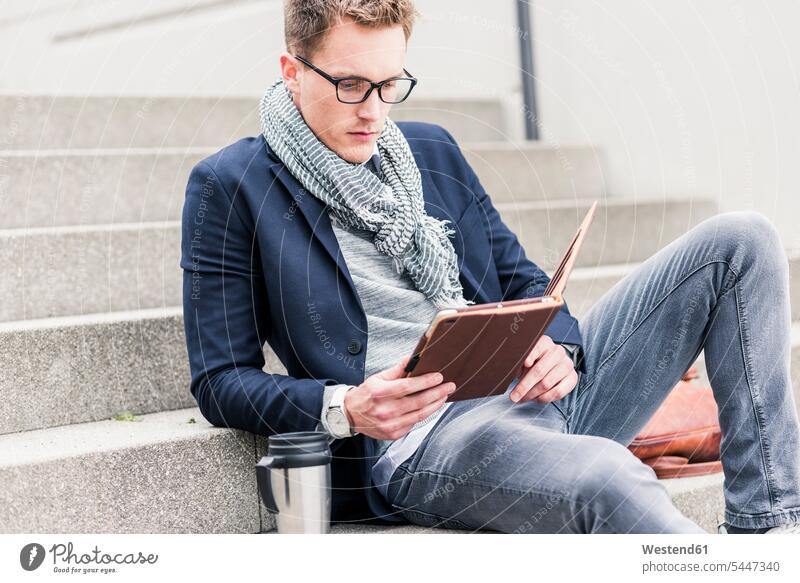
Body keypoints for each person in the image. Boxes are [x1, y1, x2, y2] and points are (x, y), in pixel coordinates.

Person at [180, 0, 800, 533]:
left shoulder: (432, 151)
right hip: (423, 440)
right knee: (608, 473)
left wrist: (560, 346)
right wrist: (348, 406)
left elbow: (525, 284)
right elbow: (220, 382)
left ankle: (767, 528)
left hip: (529, 392)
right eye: (350, 85)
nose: (373, 110)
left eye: (389, 83)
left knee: (740, 240)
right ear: (291, 71)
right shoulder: (231, 188)